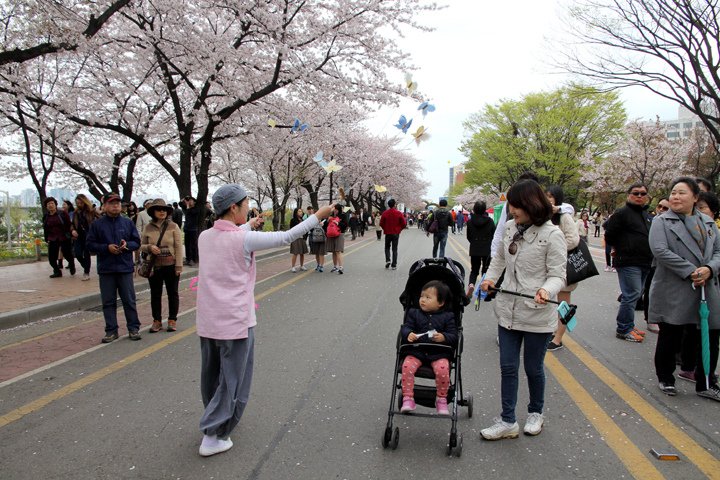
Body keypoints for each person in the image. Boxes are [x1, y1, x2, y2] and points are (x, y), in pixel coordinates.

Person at [195, 183, 331, 457]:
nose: (248, 207)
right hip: (236, 322)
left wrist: (249, 224)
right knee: (233, 378)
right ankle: (213, 434)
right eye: (246, 204)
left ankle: (215, 416)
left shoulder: (205, 237)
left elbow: (231, 235)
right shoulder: (244, 240)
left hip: (208, 321)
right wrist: (318, 216)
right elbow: (287, 236)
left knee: (212, 375)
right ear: (233, 207)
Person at [479, 179, 567, 440]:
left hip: (537, 312)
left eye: (516, 206)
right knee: (508, 367)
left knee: (533, 368)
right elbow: (499, 260)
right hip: (508, 309)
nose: (512, 211)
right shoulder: (509, 228)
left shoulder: (553, 235)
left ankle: (535, 413)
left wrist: (546, 291)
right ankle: (507, 421)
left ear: (531, 204)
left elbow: (557, 275)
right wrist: (489, 278)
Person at [649, 177, 720, 401]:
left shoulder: (708, 224)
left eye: (681, 193)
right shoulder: (662, 221)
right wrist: (692, 271)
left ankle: (706, 382)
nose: (675, 197)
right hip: (675, 286)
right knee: (671, 333)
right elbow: (660, 251)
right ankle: (665, 378)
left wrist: (709, 268)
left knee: (709, 335)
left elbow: (718, 252)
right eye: (673, 193)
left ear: (695, 197)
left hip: (705, 287)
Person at [86, 193, 142, 343]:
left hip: (124, 267)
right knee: (108, 301)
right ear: (104, 206)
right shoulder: (97, 225)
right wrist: (106, 248)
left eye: (117, 203)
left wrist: (127, 245)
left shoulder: (127, 223)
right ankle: (111, 330)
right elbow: (90, 244)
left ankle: (133, 328)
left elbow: (136, 242)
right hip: (106, 269)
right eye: (111, 203)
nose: (115, 206)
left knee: (129, 300)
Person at [399, 280, 458, 416]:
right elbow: (406, 327)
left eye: (428, 297)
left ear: (441, 302)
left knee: (443, 369)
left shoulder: (448, 317)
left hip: (438, 353)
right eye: (421, 296)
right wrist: (408, 334)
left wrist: (444, 337)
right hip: (416, 351)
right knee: (406, 366)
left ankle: (441, 399)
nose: (423, 300)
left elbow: (454, 336)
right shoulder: (414, 313)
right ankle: (408, 397)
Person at [604, 182, 653, 343]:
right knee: (631, 294)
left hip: (645, 261)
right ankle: (624, 328)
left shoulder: (647, 215)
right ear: (628, 195)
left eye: (643, 193)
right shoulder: (622, 213)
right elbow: (610, 233)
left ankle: (629, 325)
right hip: (628, 261)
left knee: (637, 294)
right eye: (636, 193)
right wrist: (619, 248)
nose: (639, 196)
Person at [545, 185, 580, 352]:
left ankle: (559, 337)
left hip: (565, 267)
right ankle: (552, 332)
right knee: (550, 302)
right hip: (548, 267)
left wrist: (554, 248)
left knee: (563, 304)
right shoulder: (543, 216)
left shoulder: (564, 216)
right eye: (545, 196)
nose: (547, 200)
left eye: (550, 197)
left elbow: (573, 240)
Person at [141, 199, 183, 333]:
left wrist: (179, 266)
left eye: (164, 209)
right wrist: (149, 247)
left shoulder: (173, 226)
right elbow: (140, 246)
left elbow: (178, 246)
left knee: (173, 293)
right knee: (155, 294)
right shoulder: (147, 227)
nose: (162, 212)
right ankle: (157, 321)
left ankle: (172, 320)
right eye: (159, 209)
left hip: (171, 265)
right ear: (153, 211)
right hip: (154, 267)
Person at [465, 200, 496, 293]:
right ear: (484, 210)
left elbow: (468, 236)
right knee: (485, 269)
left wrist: (474, 242)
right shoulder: (490, 221)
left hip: (474, 248)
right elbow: (493, 235)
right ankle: (484, 288)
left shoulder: (470, 222)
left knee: (474, 270)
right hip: (486, 248)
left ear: (474, 209)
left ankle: (471, 284)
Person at [42, 197, 76, 278]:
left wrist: (71, 233)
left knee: (68, 254)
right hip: (52, 238)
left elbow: (69, 224)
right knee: (51, 258)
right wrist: (46, 238)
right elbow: (45, 228)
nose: (50, 205)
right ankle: (57, 271)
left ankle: (72, 265)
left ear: (55, 205)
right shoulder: (46, 216)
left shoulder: (62, 213)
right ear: (46, 206)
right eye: (48, 204)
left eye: (52, 203)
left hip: (63, 237)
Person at [73, 194, 100, 281]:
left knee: (86, 253)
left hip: (88, 235)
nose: (79, 204)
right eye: (77, 203)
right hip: (78, 235)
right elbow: (72, 224)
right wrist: (73, 230)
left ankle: (86, 272)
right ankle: (85, 265)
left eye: (80, 202)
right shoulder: (76, 212)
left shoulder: (91, 211)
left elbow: (101, 219)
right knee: (77, 254)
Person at [379, 198, 407, 270]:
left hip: (388, 233)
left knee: (387, 247)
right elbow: (404, 224)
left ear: (388, 205)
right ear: (394, 205)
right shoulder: (398, 213)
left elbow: (381, 223)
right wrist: (399, 229)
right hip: (395, 233)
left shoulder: (385, 213)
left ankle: (388, 260)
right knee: (395, 249)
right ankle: (394, 265)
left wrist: (385, 229)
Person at [325, 204, 348, 274]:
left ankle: (341, 267)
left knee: (338, 251)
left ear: (338, 209)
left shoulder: (343, 215)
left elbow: (345, 225)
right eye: (333, 209)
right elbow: (326, 226)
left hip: (339, 234)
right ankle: (335, 266)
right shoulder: (330, 216)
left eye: (336, 209)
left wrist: (338, 223)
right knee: (333, 251)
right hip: (331, 234)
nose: (334, 211)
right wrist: (327, 221)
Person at [181, 196, 203, 266]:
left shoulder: (196, 209)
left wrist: (187, 205)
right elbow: (180, 204)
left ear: (194, 202)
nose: (189, 202)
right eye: (189, 200)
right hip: (187, 229)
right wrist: (184, 200)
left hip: (193, 229)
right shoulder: (187, 208)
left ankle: (194, 259)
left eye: (191, 200)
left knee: (193, 245)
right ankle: (188, 259)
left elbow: (189, 212)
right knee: (187, 245)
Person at [289, 207, 309, 272]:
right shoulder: (293, 220)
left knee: (302, 253)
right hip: (295, 238)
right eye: (299, 211)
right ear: (296, 213)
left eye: (301, 211)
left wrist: (305, 237)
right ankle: (293, 266)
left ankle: (302, 265)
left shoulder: (303, 220)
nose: (301, 213)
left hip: (302, 238)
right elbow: (291, 229)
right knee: (295, 253)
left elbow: (305, 229)